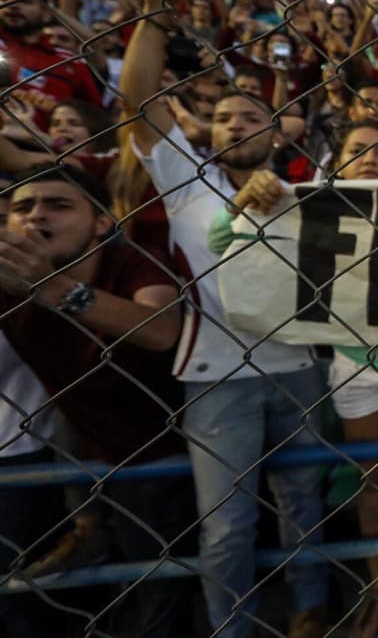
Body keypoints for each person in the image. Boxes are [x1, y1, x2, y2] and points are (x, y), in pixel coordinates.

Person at [119, 0, 329, 638]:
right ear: (209, 131)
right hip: (217, 377)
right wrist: (154, 5)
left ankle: (308, 610)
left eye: (252, 117)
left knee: (303, 505)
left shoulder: (309, 196)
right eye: (227, 116)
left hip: (297, 367)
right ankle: (230, 629)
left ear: (277, 134)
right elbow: (137, 103)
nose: (237, 124)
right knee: (228, 526)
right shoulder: (186, 178)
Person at [210, 120, 378, 638]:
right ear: (336, 162)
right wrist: (243, 203)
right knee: (373, 480)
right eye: (358, 151)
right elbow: (218, 239)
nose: (370, 160)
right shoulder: (307, 206)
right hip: (355, 363)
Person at [0, 164, 195, 637]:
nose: (36, 216)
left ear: (102, 223)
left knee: (159, 592)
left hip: (166, 452)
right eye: (22, 207)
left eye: (59, 205)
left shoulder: (135, 262)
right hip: (85, 455)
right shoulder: (7, 280)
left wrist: (52, 287)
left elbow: (160, 328)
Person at [0, 0, 104, 132]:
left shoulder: (69, 61)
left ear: (45, 10)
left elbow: (93, 116)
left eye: (25, 1)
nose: (12, 5)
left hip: (49, 151)